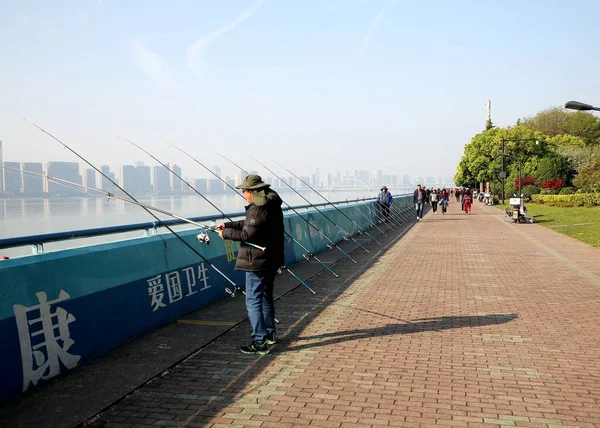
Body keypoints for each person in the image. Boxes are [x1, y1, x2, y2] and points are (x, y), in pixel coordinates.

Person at [217, 175, 284, 355]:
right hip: (270, 258)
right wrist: (228, 225)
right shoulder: (271, 204)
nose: (244, 195)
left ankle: (259, 341)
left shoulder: (258, 209)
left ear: (253, 192)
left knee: (253, 301)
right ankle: (269, 334)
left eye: (245, 191)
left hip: (257, 261)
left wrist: (226, 234)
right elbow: (250, 225)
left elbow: (248, 235)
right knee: (265, 297)